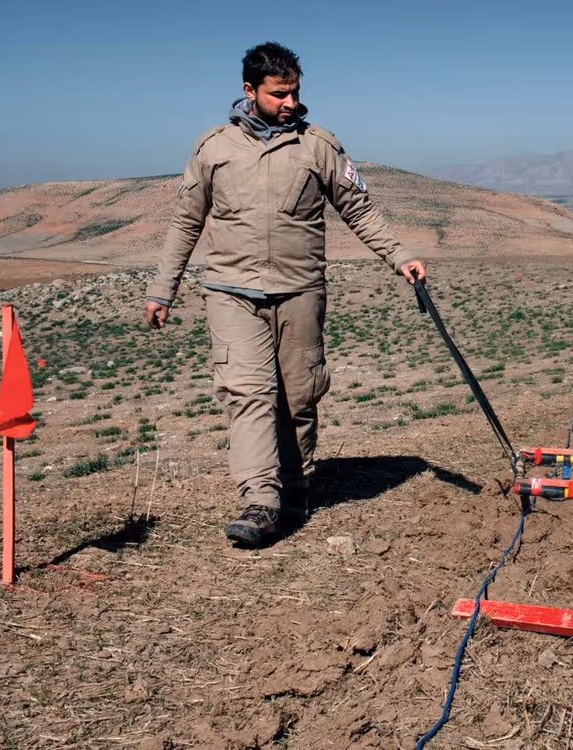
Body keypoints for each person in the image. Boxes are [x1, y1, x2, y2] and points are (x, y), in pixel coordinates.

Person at [143, 42, 425, 546]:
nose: (290, 102)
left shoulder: (319, 146)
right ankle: (259, 501)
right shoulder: (214, 147)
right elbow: (187, 220)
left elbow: (357, 208)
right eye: (279, 94)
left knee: (298, 397)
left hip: (300, 291)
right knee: (248, 394)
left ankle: (295, 489)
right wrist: (162, 290)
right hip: (231, 292)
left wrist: (398, 255)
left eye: (295, 91)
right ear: (249, 91)